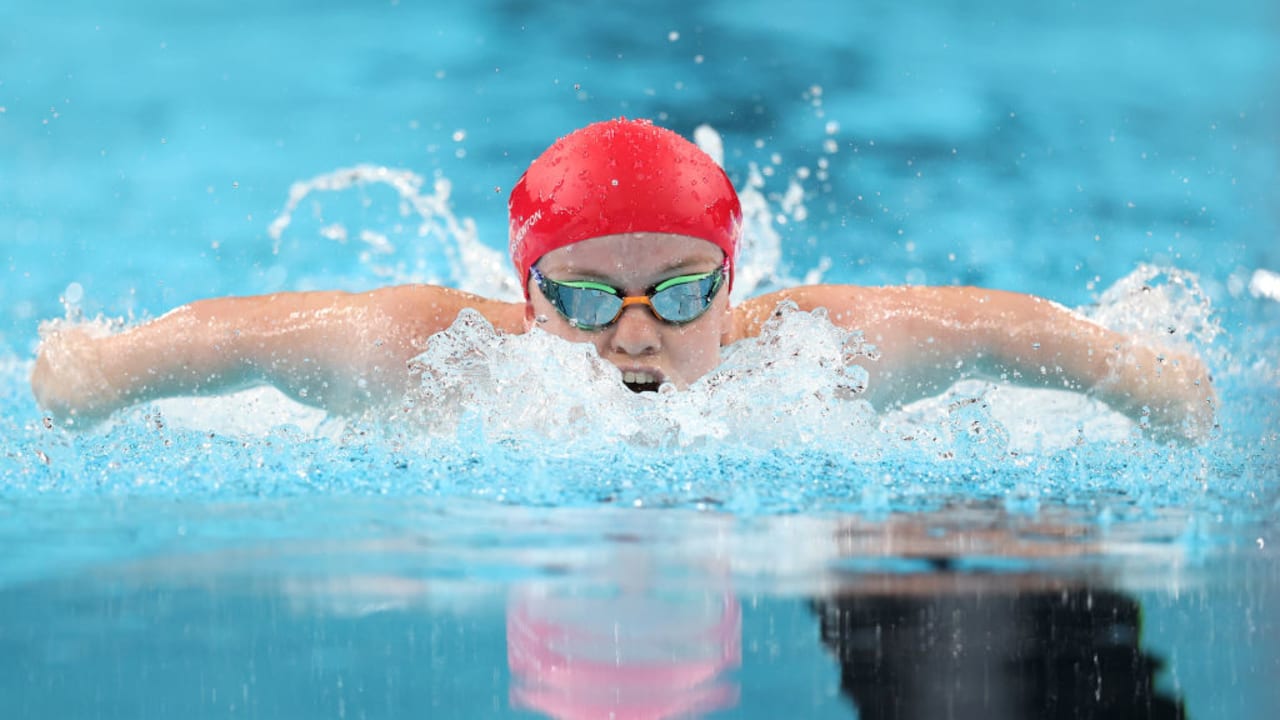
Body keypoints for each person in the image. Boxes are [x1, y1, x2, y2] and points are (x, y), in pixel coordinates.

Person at [30, 118, 1216, 441]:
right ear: (527, 292)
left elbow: (999, 331)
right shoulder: (421, 356)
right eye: (586, 298)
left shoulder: (807, 353)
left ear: (732, 284)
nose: (633, 336)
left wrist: (1146, 380)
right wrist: (88, 375)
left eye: (682, 292)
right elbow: (227, 338)